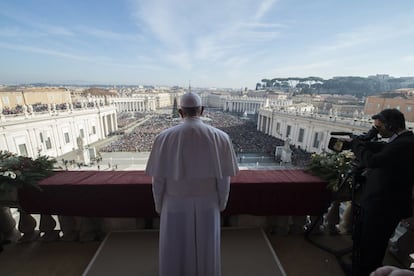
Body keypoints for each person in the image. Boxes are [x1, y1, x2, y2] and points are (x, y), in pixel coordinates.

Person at [145, 92, 239, 276]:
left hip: (173, 204)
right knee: (206, 247)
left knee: (175, 247)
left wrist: (159, 205)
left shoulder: (163, 137)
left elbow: (158, 180)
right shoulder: (221, 137)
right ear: (202, 110)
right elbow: (224, 179)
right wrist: (220, 204)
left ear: (180, 112)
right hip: (208, 202)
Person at [351, 108, 414, 276]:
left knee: (373, 245)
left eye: (379, 128)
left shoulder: (406, 144)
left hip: (384, 206)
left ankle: (366, 272)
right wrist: (364, 141)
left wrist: (357, 145)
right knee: (366, 241)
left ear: (392, 126)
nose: (377, 131)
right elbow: (385, 149)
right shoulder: (401, 141)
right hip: (380, 202)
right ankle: (360, 269)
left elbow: (373, 161)